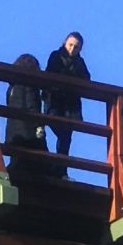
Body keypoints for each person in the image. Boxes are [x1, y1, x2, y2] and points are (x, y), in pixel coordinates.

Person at [43, 30, 89, 160]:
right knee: (62, 133)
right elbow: (52, 73)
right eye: (70, 45)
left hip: (70, 106)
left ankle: (61, 169)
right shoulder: (56, 56)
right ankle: (57, 166)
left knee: (66, 137)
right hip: (54, 102)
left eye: (76, 47)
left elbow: (87, 79)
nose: (72, 49)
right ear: (65, 43)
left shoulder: (80, 62)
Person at [4, 53, 49, 180]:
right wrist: (38, 125)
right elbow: (32, 105)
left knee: (18, 159)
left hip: (13, 131)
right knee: (38, 158)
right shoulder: (30, 85)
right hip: (27, 130)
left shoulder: (12, 87)